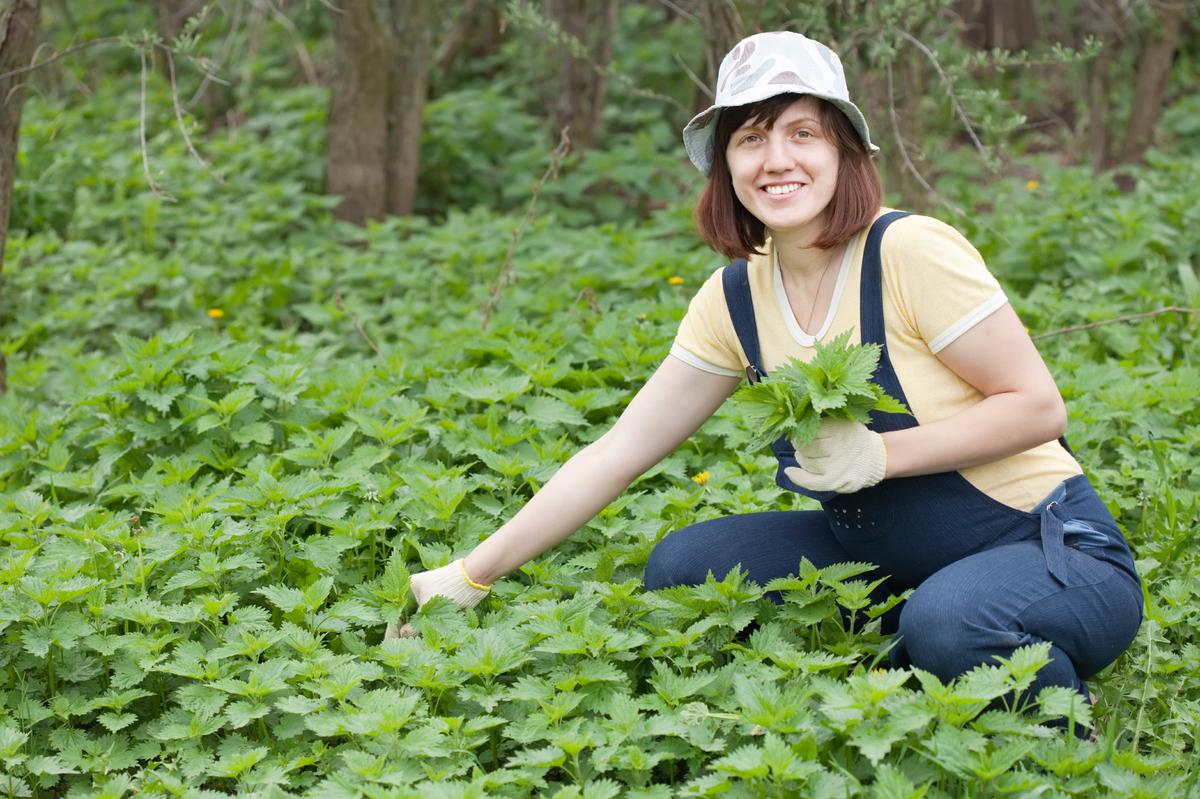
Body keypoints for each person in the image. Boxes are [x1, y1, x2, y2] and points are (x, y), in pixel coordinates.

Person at [387, 31, 1142, 725]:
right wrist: (471, 575)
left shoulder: (909, 252)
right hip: (894, 560)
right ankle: (914, 650)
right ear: (725, 166)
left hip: (1051, 550)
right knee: (685, 569)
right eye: (750, 138)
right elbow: (620, 450)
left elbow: (1037, 406)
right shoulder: (735, 297)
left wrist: (882, 454)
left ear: (846, 151)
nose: (776, 159)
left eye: (801, 133)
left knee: (952, 620)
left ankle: (1049, 713)